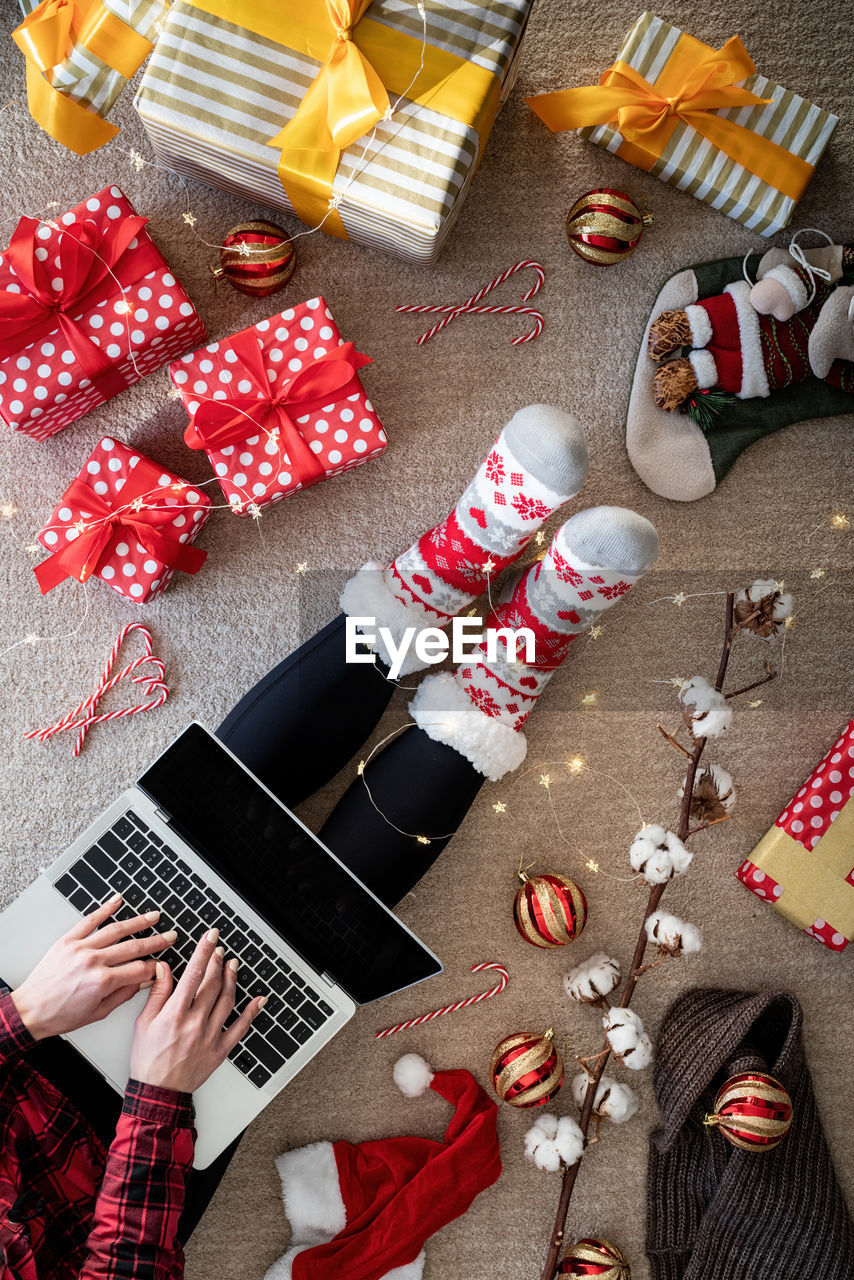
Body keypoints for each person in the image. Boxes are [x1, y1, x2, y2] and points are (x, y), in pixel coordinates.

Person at [1, 405, 659, 1276]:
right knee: (303, 949)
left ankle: (445, 571)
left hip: (23, 1033)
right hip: (124, 1178)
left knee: (196, 827)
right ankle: (508, 667)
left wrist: (23, 1017)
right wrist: (159, 1098)